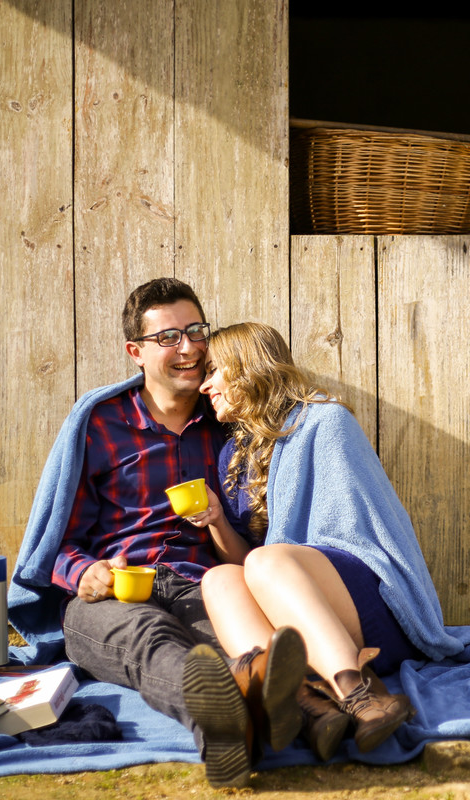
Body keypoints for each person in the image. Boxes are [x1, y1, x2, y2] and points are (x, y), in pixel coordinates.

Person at [46, 278, 306, 788]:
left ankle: (235, 722)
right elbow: (56, 544)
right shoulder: (100, 423)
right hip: (114, 595)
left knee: (244, 653)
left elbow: (257, 534)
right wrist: (88, 574)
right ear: (136, 352)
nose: (187, 348)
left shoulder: (228, 419)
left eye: (194, 331)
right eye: (168, 338)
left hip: (203, 584)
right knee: (149, 639)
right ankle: (225, 712)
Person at [185, 322, 419, 760]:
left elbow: (362, 532)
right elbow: (255, 562)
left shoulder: (324, 420)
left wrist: (279, 558)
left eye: (214, 370)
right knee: (218, 579)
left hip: (369, 603)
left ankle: (363, 693)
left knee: (266, 563)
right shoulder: (233, 455)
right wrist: (217, 519)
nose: (204, 384)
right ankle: (307, 704)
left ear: (244, 367)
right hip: (300, 610)